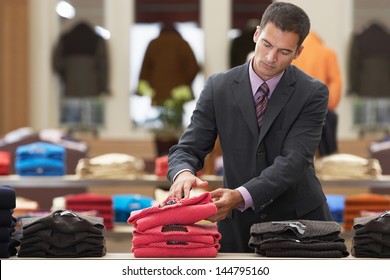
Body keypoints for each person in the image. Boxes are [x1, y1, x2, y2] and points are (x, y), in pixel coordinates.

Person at [166, 2, 334, 253]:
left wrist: (241, 196)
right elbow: (188, 148)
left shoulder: (313, 93)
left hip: (300, 223)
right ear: (256, 34)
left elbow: (295, 161)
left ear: (298, 52)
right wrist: (183, 174)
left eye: (284, 51)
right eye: (266, 44)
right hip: (237, 227)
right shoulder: (218, 87)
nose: (270, 58)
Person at [292, 31, 342, 156]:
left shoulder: (292, 53)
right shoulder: (328, 53)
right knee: (327, 145)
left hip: (296, 106)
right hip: (321, 105)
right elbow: (336, 81)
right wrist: (329, 103)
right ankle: (330, 162)